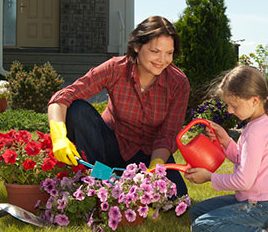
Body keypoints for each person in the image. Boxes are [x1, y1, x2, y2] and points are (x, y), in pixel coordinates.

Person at [47, 15, 190, 197]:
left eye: (169, 53)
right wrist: (58, 137)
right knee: (77, 110)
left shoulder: (178, 83)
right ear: (137, 47)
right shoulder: (115, 69)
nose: (162, 59)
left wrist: (154, 169)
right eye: (155, 51)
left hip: (151, 153)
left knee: (176, 198)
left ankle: (126, 184)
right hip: (111, 147)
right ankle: (101, 180)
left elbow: (167, 135)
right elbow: (62, 97)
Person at [185, 65, 268, 232]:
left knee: (202, 225)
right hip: (264, 202)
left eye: (234, 105)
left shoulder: (256, 131)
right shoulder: (261, 121)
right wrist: (225, 140)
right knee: (198, 212)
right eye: (228, 105)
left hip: (264, 207)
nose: (230, 111)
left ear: (254, 100)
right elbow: (246, 161)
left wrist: (210, 177)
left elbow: (243, 181)